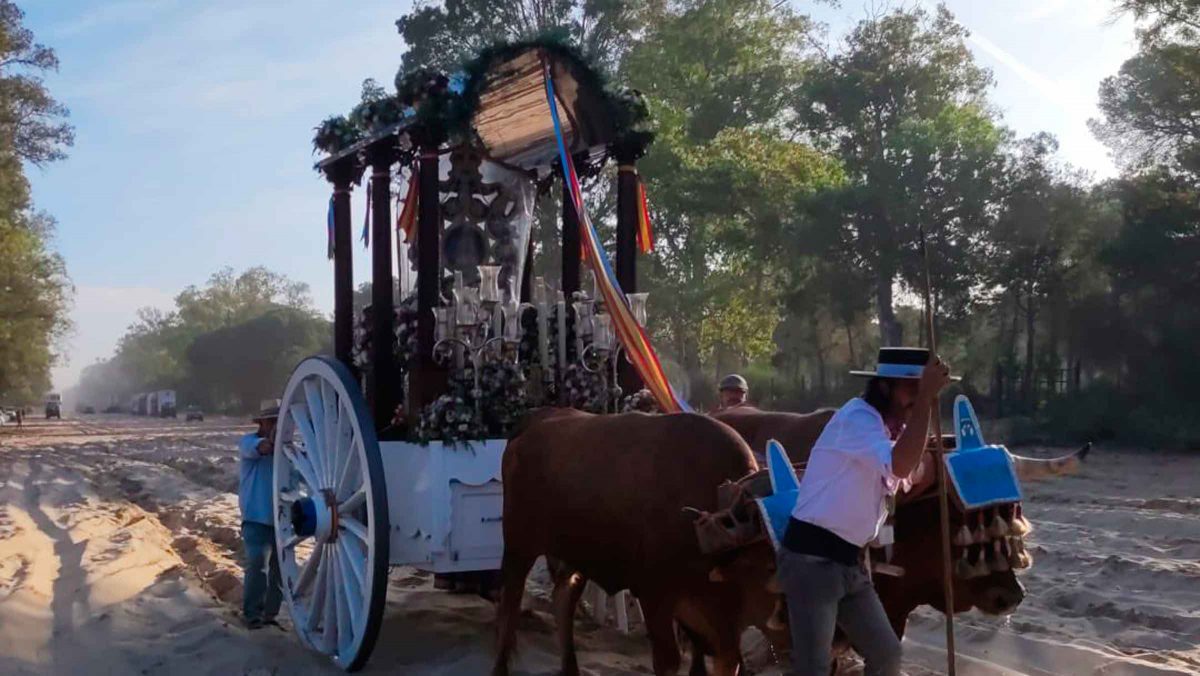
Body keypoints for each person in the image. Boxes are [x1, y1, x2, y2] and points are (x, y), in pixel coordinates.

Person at [778, 347, 951, 676]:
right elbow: (901, 466)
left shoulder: (893, 431)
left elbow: (910, 469)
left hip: (850, 563)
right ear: (884, 388)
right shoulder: (857, 418)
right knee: (813, 668)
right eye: (910, 389)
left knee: (887, 655)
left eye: (922, 388)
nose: (916, 398)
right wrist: (927, 398)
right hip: (812, 562)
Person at [238, 404, 282, 630]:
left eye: (280, 421)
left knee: (279, 570)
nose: (277, 425)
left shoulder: (289, 451)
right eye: (273, 421)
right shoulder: (249, 442)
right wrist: (274, 442)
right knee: (257, 564)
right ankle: (252, 614)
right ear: (262, 424)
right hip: (255, 516)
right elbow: (262, 448)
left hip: (282, 520)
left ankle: (270, 614)